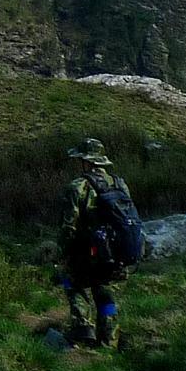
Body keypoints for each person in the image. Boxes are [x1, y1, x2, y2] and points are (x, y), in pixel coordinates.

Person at [58, 138, 140, 348]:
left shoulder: (78, 187)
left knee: (72, 283)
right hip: (113, 252)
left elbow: (68, 226)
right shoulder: (120, 183)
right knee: (105, 292)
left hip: (86, 252)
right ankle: (109, 339)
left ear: (86, 161)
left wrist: (64, 253)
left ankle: (83, 328)